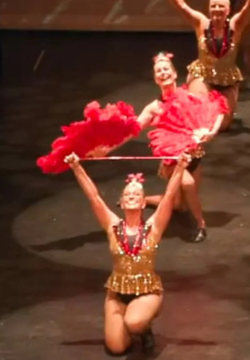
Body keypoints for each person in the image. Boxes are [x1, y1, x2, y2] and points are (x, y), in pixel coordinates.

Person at [65, 151, 192, 355]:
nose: (132, 196)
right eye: (127, 195)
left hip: (147, 290)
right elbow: (94, 196)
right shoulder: (112, 226)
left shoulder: (154, 228)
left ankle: (144, 327)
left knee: (134, 322)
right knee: (116, 349)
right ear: (122, 203)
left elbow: (168, 197)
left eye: (137, 195)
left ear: (143, 203)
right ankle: (126, 323)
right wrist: (76, 167)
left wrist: (180, 167)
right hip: (117, 292)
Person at [93, 52, 220, 242]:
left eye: (166, 69)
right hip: (173, 158)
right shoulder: (154, 108)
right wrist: (107, 149)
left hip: (195, 155)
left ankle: (146, 200)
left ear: (174, 74)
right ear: (155, 79)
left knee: (180, 205)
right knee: (187, 184)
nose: (163, 73)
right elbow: (131, 130)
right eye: (158, 71)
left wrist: (210, 132)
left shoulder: (191, 97)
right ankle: (201, 223)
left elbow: (217, 112)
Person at [157, 0, 250, 130]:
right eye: (213, 6)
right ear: (209, 8)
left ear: (228, 10)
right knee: (200, 119)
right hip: (203, 76)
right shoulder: (201, 22)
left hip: (226, 80)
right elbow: (181, 6)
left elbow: (248, 8)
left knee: (222, 126)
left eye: (221, 6)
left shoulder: (236, 25)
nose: (217, 9)